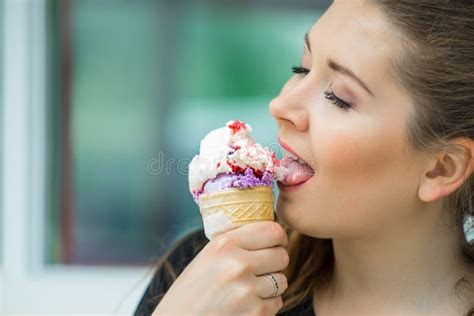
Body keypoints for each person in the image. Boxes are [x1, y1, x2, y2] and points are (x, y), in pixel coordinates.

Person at [134, 0, 474, 315]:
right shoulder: (208, 275)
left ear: (441, 168)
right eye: (302, 67)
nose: (281, 106)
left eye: (339, 97)